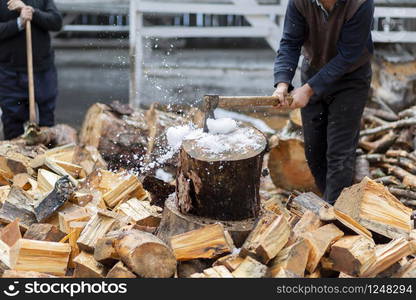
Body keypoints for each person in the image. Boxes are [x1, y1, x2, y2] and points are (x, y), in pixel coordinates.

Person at [273, 0, 374, 204]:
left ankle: (335, 212)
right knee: (314, 150)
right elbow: (290, 42)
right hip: (313, 70)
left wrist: (307, 90)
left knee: (339, 153)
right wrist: (282, 84)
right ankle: (332, 203)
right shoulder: (300, 3)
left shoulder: (360, 3)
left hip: (351, 79)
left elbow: (348, 55)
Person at [0, 0, 62, 140]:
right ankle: (15, 158)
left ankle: (45, 157)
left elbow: (56, 22)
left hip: (43, 70)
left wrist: (32, 12)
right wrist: (19, 23)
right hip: (10, 72)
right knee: (13, 123)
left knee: (47, 121)